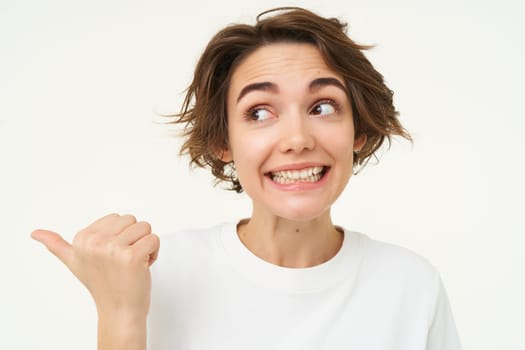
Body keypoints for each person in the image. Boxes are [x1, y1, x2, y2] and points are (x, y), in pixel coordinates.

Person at [31, 7, 461, 350]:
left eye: (322, 106)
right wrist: (121, 316)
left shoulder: (411, 285)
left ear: (359, 131)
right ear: (224, 142)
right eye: (259, 112)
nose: (296, 139)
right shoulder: (156, 274)